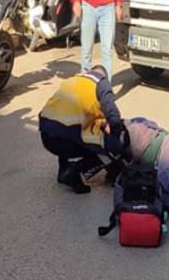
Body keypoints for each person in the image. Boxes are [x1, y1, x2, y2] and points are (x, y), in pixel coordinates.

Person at [39, 66, 123, 194]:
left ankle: (63, 170)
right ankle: (74, 171)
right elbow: (114, 118)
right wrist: (116, 143)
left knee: (68, 127)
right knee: (111, 148)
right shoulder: (102, 83)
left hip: (46, 135)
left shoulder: (74, 80)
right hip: (65, 138)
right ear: (104, 77)